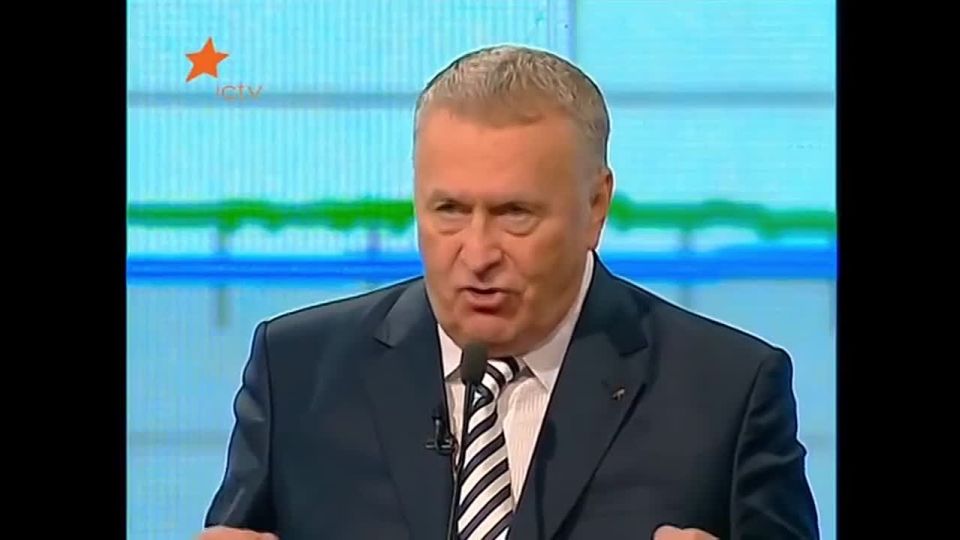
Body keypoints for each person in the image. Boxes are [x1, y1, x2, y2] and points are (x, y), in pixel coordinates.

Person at [198, 45, 820, 540]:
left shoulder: (727, 392)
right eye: (448, 210)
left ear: (595, 206)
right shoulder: (299, 372)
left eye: (514, 213)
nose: (477, 254)